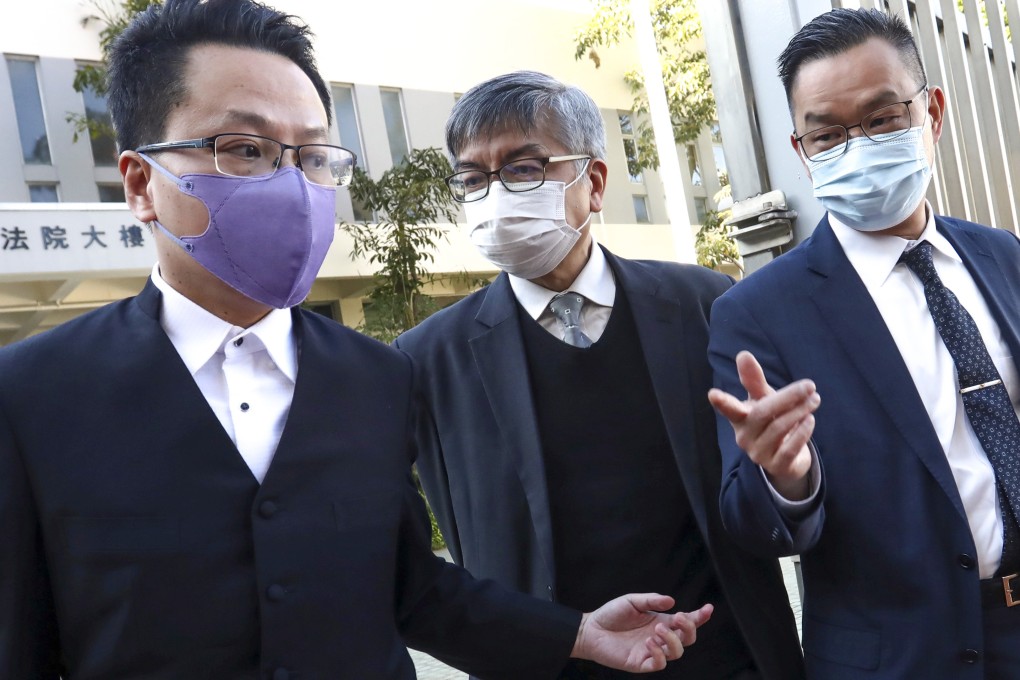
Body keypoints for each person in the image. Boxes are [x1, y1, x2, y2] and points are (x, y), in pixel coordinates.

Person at [0, 2, 717, 678]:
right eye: (244, 149)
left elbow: (411, 587)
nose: (287, 183)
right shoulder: (34, 396)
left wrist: (575, 635)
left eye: (312, 157)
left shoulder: (375, 377)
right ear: (138, 183)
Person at [395, 71, 805, 680]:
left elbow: (767, 504)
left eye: (524, 168)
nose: (496, 195)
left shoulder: (704, 305)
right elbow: (415, 576)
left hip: (730, 657)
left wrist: (785, 473)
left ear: (595, 182)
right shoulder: (426, 359)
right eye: (474, 179)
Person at [708, 7, 1020, 679]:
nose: (858, 147)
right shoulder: (758, 313)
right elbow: (751, 524)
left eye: (882, 121)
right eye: (828, 135)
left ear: (931, 113)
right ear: (801, 150)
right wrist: (786, 475)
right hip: (904, 657)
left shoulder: (1003, 257)